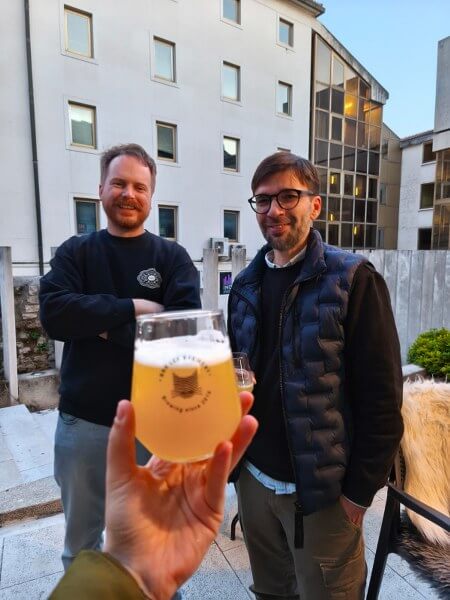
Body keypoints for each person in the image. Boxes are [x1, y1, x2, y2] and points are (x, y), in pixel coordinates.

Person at [227, 152, 404, 600]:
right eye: (263, 200)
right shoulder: (244, 286)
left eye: (288, 196)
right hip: (253, 483)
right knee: (271, 593)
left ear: (315, 205)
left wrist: (358, 496)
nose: (274, 210)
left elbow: (383, 401)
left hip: (324, 495)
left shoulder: (354, 279)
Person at [39, 144, 201, 571]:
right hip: (84, 424)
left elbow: (182, 334)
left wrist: (99, 325)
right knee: (82, 546)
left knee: (152, 543)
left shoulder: (171, 258)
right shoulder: (76, 252)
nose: (129, 194)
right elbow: (55, 315)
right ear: (101, 189)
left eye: (139, 187)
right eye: (119, 184)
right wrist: (134, 307)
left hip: (155, 427)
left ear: (151, 196)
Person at [49, 393, 258, 599]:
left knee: (160, 541)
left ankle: (154, 585)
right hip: (85, 408)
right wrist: (132, 571)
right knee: (80, 543)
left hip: (154, 412)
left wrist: (136, 573)